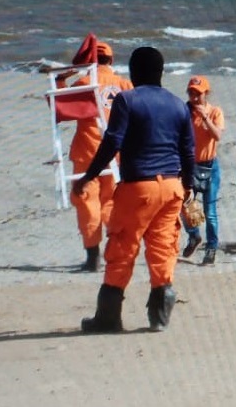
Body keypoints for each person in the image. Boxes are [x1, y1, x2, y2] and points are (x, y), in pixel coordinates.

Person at [73, 46, 195, 333]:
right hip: (172, 187)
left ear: (134, 72)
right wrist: (188, 187)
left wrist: (89, 175)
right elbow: (188, 152)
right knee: (163, 247)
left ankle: (108, 318)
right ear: (161, 72)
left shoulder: (127, 100)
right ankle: (159, 317)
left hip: (138, 187)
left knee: (122, 248)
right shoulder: (178, 105)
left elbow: (112, 142)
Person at [55, 41, 133, 272]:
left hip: (87, 153)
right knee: (110, 202)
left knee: (88, 204)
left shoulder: (85, 82)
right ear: (111, 60)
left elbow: (61, 109)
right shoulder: (124, 84)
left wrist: (61, 79)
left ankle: (92, 258)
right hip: (117, 154)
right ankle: (117, 250)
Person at [182, 75, 225, 265]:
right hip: (190, 165)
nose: (194, 97)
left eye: (198, 94)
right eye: (191, 93)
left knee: (210, 211)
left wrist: (204, 117)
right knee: (186, 206)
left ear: (206, 93)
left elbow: (217, 136)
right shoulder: (184, 111)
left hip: (210, 166)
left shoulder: (215, 111)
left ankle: (211, 249)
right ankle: (194, 236)